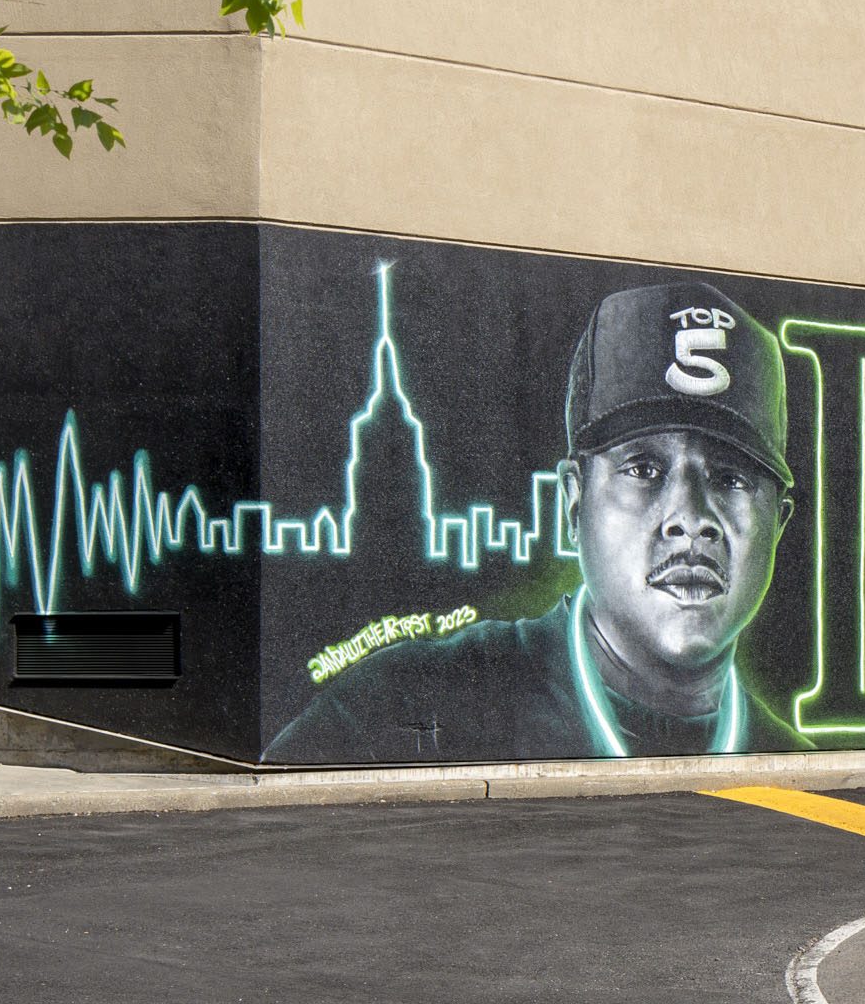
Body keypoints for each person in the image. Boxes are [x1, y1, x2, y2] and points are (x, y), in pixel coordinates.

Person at [265, 282, 804, 761]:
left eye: (731, 477)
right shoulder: (399, 701)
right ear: (574, 503)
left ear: (778, 522)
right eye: (643, 468)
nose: (689, 518)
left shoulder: (792, 766)